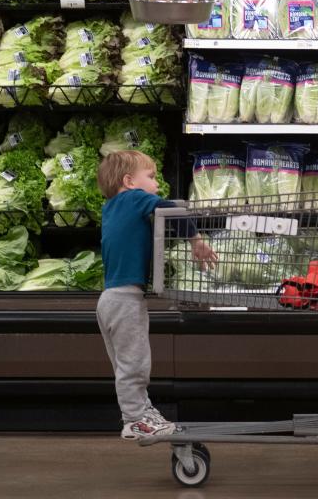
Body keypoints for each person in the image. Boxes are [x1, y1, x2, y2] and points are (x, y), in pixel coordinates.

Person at [96, 150, 217, 440]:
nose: (157, 184)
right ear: (129, 181)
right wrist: (196, 240)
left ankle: (141, 412)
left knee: (126, 365)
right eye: (150, 177)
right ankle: (135, 420)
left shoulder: (111, 206)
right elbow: (169, 209)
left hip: (110, 299)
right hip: (125, 300)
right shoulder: (134, 198)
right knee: (135, 364)